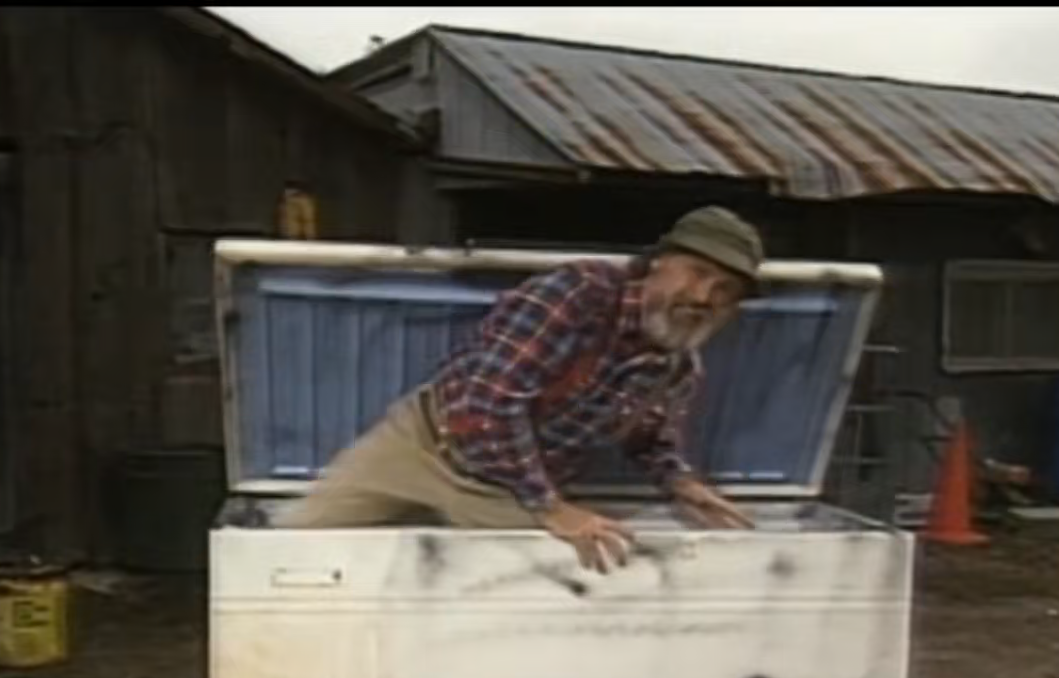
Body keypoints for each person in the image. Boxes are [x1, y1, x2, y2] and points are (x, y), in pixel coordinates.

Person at [271, 206, 765, 573]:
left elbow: (649, 440)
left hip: (512, 490)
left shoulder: (678, 367)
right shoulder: (580, 293)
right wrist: (552, 509)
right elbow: (486, 404)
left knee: (531, 590)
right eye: (698, 274)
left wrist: (682, 484)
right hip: (423, 446)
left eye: (725, 290)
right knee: (290, 554)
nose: (704, 297)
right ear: (658, 263)